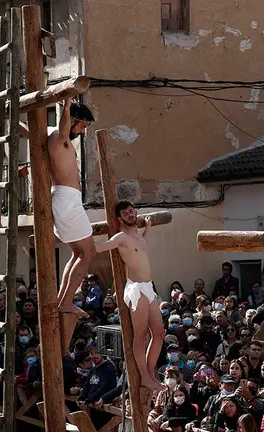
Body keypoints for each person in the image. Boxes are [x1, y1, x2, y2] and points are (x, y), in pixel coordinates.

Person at [95, 201, 165, 391]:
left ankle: (150, 374)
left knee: (159, 333)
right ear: (120, 219)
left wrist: (148, 228)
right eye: (125, 214)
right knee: (140, 335)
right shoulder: (121, 237)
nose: (129, 215)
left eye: (131, 211)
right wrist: (80, 240)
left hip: (149, 287)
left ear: (135, 212)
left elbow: (142, 247)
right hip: (135, 289)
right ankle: (144, 376)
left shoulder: (138, 236)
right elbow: (100, 248)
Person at [48, 99, 96, 318]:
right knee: (88, 252)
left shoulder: (61, 141)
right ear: (72, 121)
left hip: (67, 199)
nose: (83, 132)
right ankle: (66, 301)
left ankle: (63, 300)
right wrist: (66, 106)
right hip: (66, 200)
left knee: (79, 252)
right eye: (82, 126)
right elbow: (63, 127)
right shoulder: (60, 139)